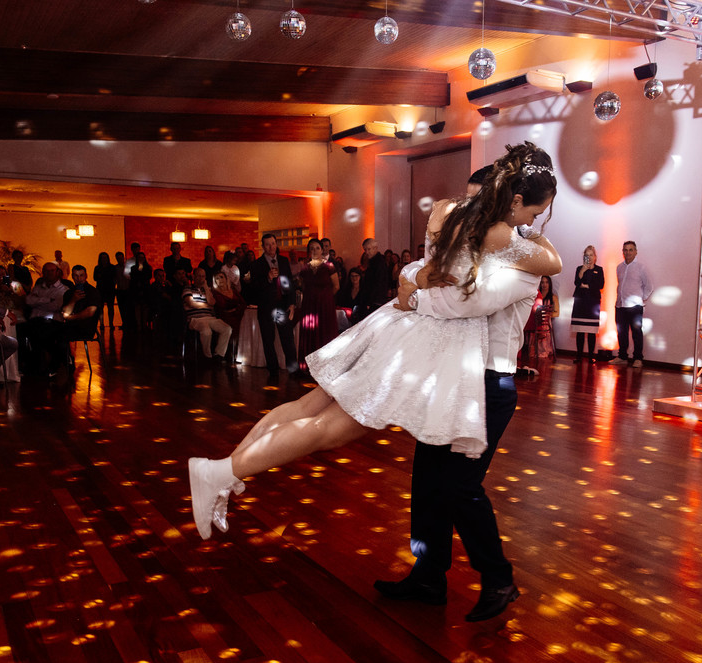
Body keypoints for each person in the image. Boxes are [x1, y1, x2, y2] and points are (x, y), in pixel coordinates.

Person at [189, 143, 561, 627]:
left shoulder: (521, 258)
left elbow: (462, 303)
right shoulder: (479, 233)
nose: (537, 221)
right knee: (427, 483)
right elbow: (430, 275)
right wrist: (417, 281)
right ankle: (429, 575)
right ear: (513, 202)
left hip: (487, 381)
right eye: (533, 210)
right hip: (442, 370)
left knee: (459, 487)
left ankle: (497, 579)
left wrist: (414, 294)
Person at [251, 233, 299, 377]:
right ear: (263, 246)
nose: (271, 247)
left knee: (288, 339)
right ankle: (273, 371)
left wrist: (292, 303)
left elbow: (289, 283)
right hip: (266, 307)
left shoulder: (284, 261)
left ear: (276, 244)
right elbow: (254, 288)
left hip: (282, 305)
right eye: (267, 244)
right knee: (268, 339)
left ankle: (293, 370)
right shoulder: (256, 264)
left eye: (273, 243)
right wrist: (268, 278)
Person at [295, 237, 340, 370]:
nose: (314, 250)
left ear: (322, 250)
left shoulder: (329, 266)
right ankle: (308, 366)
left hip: (325, 306)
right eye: (312, 248)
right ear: (309, 251)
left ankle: (325, 366)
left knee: (325, 333)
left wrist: (325, 299)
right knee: (310, 334)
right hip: (309, 305)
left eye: (317, 248)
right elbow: (303, 286)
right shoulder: (304, 269)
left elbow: (336, 286)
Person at [607, 240, 653, 367]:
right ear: (622, 252)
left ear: (636, 251)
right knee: (621, 332)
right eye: (625, 250)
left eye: (631, 250)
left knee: (636, 333)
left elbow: (649, 286)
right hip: (620, 305)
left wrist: (640, 299)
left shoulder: (641, 267)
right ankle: (622, 356)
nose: (628, 252)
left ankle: (638, 358)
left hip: (635, 307)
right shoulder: (619, 267)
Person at [183, 267, 232, 361]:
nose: (201, 278)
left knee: (227, 329)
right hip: (195, 319)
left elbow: (212, 302)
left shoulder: (207, 289)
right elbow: (191, 303)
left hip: (210, 318)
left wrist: (205, 287)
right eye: (199, 276)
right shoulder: (188, 288)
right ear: (194, 277)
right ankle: (208, 356)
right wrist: (206, 306)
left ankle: (219, 355)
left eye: (203, 276)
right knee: (207, 332)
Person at [570, 245, 604, 361]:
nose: (589, 257)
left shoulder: (599, 269)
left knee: (591, 331)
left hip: (592, 303)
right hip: (580, 302)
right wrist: (582, 272)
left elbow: (600, 285)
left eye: (591, 255)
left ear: (595, 257)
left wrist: (587, 285)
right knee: (580, 330)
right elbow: (577, 282)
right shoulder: (579, 268)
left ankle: (591, 357)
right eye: (586, 255)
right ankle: (579, 356)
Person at [520, 274, 559, 371]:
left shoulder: (553, 297)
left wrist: (547, 315)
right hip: (535, 320)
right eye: (542, 282)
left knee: (543, 326)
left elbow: (557, 313)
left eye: (546, 282)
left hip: (545, 322)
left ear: (549, 284)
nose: (544, 285)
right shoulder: (535, 295)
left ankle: (542, 350)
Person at [93, 252, 117, 331]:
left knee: (110, 307)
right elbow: (95, 278)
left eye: (105, 258)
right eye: (102, 258)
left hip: (109, 289)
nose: (104, 259)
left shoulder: (109, 267)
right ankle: (102, 323)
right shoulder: (99, 268)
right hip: (101, 289)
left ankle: (110, 323)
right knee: (101, 307)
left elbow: (96, 278)